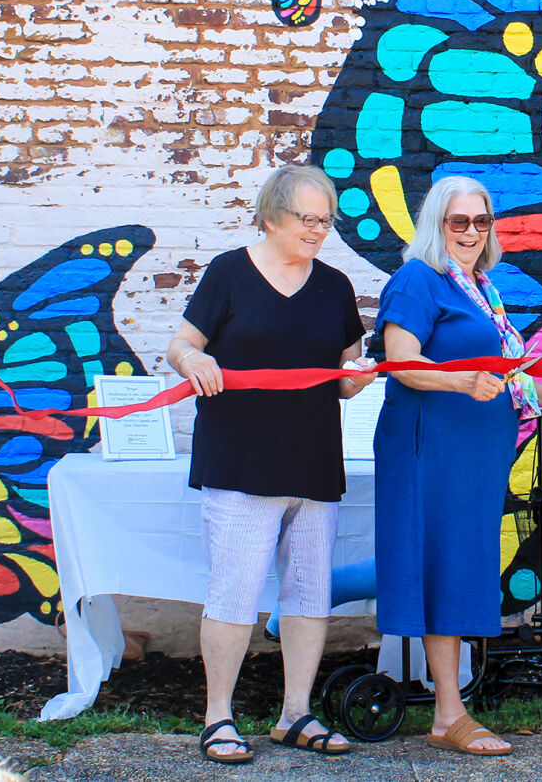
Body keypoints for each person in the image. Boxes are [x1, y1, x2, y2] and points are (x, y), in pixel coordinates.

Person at [375, 176, 542, 757]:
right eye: (458, 222)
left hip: (473, 456)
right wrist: (461, 380)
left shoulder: (480, 288)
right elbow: (399, 361)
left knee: (461, 563)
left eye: (481, 222)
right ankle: (449, 713)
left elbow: (505, 374)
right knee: (442, 565)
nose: (472, 232)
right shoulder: (418, 280)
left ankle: (450, 707)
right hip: (432, 449)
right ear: (435, 226)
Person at [168, 165, 376, 763]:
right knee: (234, 593)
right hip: (240, 461)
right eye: (306, 219)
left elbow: (342, 376)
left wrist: (356, 380)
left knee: (309, 594)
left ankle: (296, 714)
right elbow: (182, 343)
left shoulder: (335, 285)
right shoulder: (230, 272)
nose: (317, 231)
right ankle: (218, 719)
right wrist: (192, 363)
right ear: (271, 215)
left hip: (312, 461)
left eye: (325, 220)